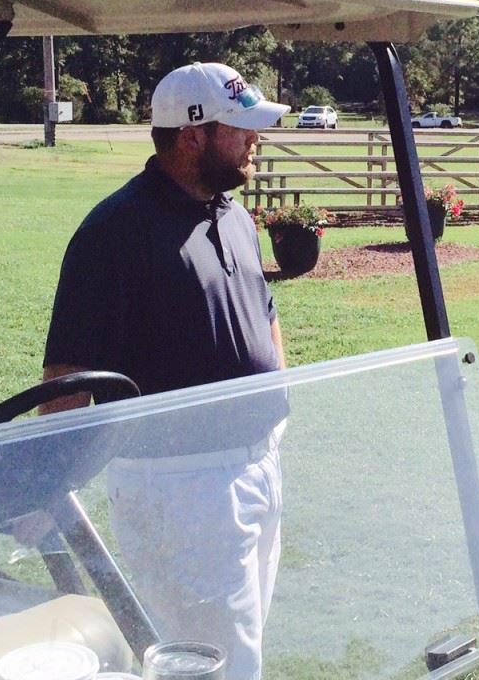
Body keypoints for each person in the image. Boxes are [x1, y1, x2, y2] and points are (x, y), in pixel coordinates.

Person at [41, 61, 290, 679]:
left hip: (257, 466)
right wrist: (50, 485)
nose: (255, 138)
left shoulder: (233, 215)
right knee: (213, 662)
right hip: (180, 488)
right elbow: (66, 381)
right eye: (241, 127)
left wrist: (278, 409)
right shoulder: (113, 232)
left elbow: (265, 315)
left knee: (246, 643)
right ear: (191, 136)